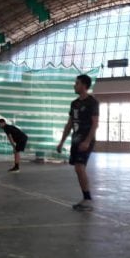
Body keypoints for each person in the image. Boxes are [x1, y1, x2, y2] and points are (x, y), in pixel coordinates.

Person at [56, 74, 99, 211]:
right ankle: (85, 198)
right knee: (78, 169)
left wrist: (87, 141)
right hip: (76, 140)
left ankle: (88, 199)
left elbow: (95, 124)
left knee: (80, 167)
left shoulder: (92, 102)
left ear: (84, 86)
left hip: (86, 140)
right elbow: (69, 124)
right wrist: (61, 142)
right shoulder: (74, 103)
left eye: (77, 83)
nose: (74, 85)